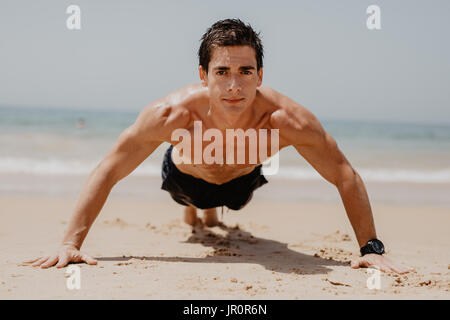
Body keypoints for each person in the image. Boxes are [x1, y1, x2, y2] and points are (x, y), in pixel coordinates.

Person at [25, 19, 411, 274]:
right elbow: (109, 168)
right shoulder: (171, 114)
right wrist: (69, 244)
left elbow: (344, 174)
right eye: (222, 72)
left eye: (245, 72)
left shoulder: (287, 120)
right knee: (196, 203)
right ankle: (198, 215)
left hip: (242, 182)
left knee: (227, 202)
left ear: (260, 75)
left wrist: (371, 249)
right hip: (185, 178)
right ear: (202, 75)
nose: (233, 85)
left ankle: (208, 216)